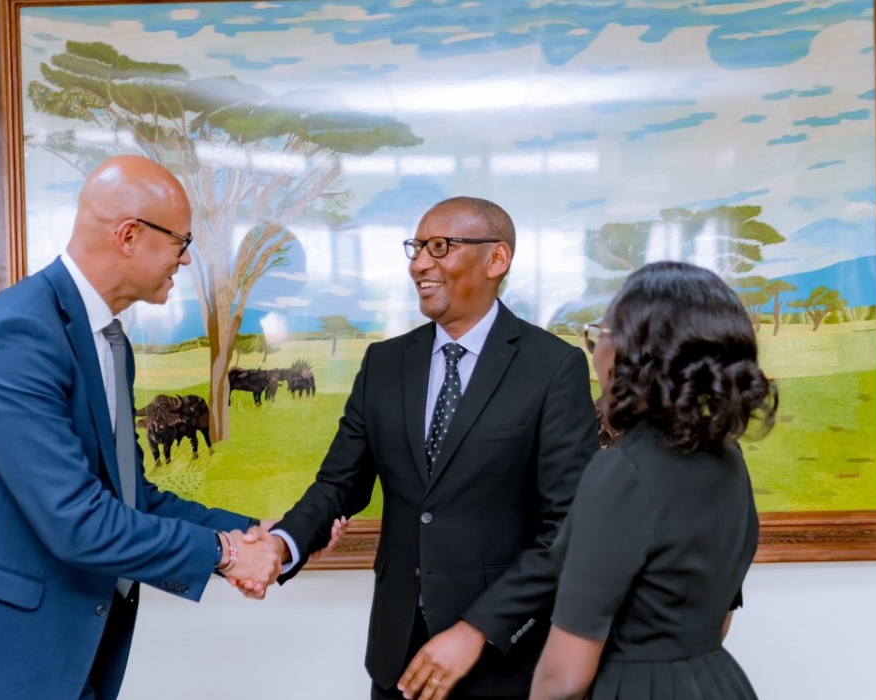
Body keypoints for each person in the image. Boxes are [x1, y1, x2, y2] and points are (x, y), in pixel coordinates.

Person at [0, 155, 286, 700]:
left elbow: (129, 497)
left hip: (55, 655)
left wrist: (260, 531)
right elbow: (77, 519)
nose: (184, 259)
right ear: (129, 235)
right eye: (182, 241)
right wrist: (226, 552)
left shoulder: (109, 342)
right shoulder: (17, 337)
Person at [261, 196, 599, 700]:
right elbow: (339, 484)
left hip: (503, 661)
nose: (420, 263)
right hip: (398, 658)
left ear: (496, 259)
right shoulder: (385, 363)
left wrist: (475, 629)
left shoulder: (552, 368)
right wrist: (280, 545)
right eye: (416, 247)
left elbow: (568, 528)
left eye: (440, 247)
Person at [528, 260, 778, 700]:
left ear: (635, 355)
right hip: (718, 682)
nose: (596, 352)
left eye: (599, 334)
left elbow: (565, 676)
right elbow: (720, 621)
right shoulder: (728, 458)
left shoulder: (622, 471)